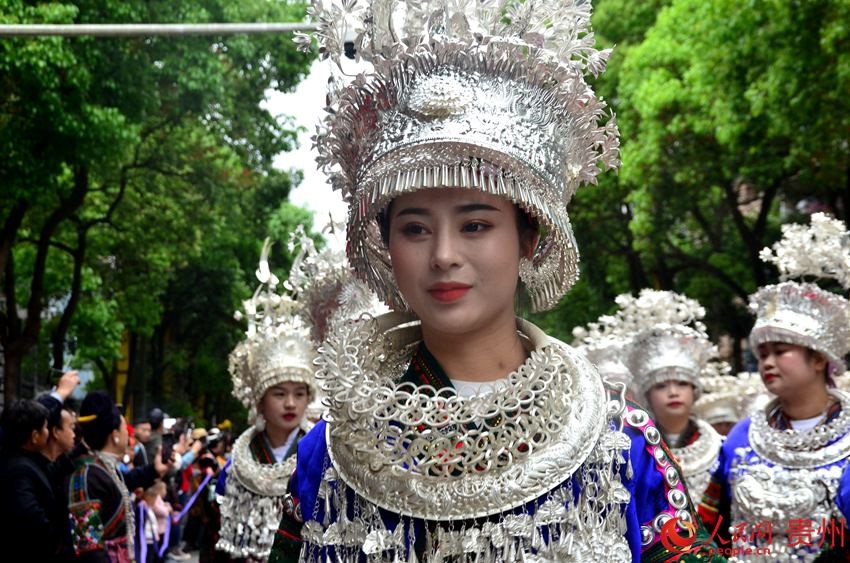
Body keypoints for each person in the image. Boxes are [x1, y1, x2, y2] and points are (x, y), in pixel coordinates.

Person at [268, 1, 720, 561]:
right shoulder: (333, 454)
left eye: (475, 225)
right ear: (387, 246)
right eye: (415, 229)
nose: (444, 255)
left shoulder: (616, 442)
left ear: (529, 237)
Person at [699, 213, 850, 560]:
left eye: (780, 351)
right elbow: (709, 529)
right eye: (762, 353)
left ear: (819, 359)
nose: (767, 362)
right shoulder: (741, 437)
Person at [213, 239, 317, 562]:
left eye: (299, 393)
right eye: (279, 393)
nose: (290, 403)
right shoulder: (235, 467)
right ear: (259, 401)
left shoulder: (318, 455)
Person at [623, 291, 723, 507]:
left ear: (695, 390)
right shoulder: (634, 450)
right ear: (647, 396)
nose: (673, 392)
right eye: (661, 386)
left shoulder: (721, 448)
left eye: (682, 383)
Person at [69, 391, 171, 562]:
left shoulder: (101, 468)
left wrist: (155, 470)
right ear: (115, 435)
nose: (129, 435)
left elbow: (124, 482)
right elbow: (88, 546)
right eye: (125, 428)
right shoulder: (85, 475)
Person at [0, 399, 60, 561]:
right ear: (34, 436)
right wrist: (59, 540)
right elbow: (32, 519)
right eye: (45, 428)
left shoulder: (25, 460)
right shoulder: (18, 469)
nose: (48, 432)